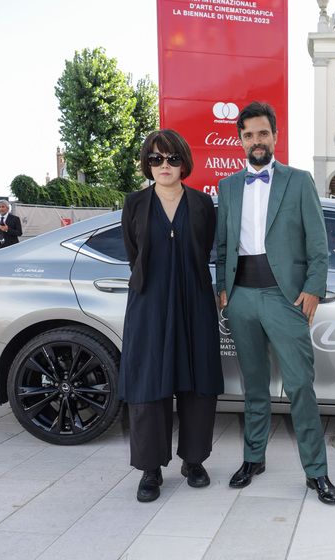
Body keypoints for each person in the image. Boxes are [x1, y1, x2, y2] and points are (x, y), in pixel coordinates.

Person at [216, 101, 335, 505]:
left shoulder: (299, 180)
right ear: (240, 140)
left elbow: (318, 245)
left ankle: (316, 472)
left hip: (286, 299)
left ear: (274, 136)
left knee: (301, 384)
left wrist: (313, 289)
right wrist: (223, 289)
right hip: (242, 299)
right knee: (254, 386)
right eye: (248, 135)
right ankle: (254, 458)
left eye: (262, 133)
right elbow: (222, 244)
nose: (256, 141)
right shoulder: (229, 186)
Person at [120, 129, 224, 503]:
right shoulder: (134, 203)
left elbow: (210, 250)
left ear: (184, 163)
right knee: (149, 384)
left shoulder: (201, 204)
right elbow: (135, 255)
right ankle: (151, 469)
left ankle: (193, 461)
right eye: (156, 159)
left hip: (194, 302)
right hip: (149, 305)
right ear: (148, 164)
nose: (164, 165)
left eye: (172, 158)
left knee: (198, 382)